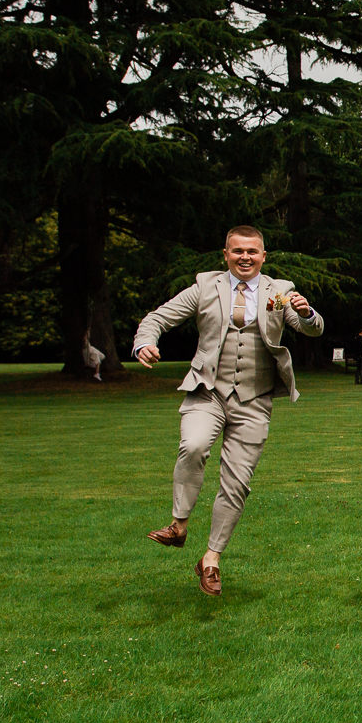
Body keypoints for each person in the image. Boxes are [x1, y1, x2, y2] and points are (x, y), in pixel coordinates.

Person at [132, 225, 325, 596]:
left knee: (237, 483)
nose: (245, 257)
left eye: (253, 251)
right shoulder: (205, 287)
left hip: (255, 399)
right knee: (193, 446)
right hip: (207, 390)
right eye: (238, 251)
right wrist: (145, 343)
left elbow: (310, 329)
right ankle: (178, 524)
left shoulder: (280, 291)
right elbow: (158, 318)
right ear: (225, 254)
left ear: (264, 256)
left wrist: (307, 311)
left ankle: (211, 560)